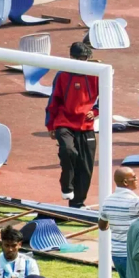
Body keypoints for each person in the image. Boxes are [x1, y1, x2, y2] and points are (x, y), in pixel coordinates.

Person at [45, 42, 99, 208]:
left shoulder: (97, 74)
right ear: (71, 57)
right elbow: (54, 100)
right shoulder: (62, 75)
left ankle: (77, 204)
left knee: (85, 166)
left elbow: (106, 98)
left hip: (86, 125)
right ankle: (67, 186)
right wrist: (50, 125)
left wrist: (95, 111)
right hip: (64, 122)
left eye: (84, 59)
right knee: (68, 151)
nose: (81, 62)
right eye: (78, 59)